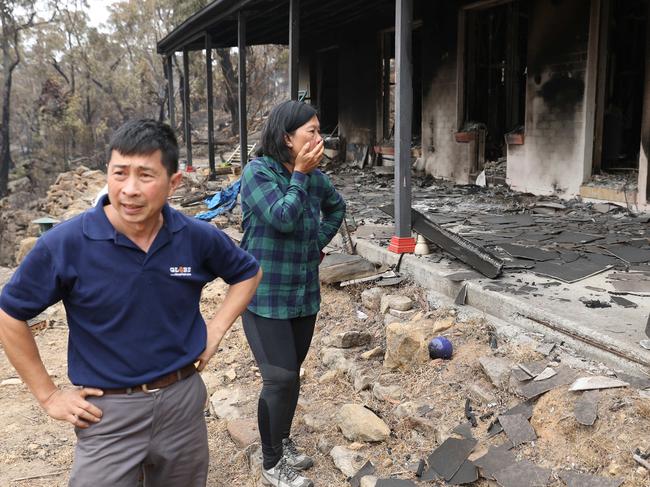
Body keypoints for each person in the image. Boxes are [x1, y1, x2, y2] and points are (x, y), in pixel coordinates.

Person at [0, 119, 262, 487]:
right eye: (119, 173)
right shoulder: (66, 244)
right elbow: (10, 314)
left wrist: (215, 329)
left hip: (181, 401)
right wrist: (48, 394)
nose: (130, 189)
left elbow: (247, 272)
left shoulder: (195, 237)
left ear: (174, 183)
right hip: (107, 413)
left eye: (145, 175)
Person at [240, 100, 346, 487]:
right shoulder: (258, 173)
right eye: (312, 131)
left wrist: (315, 245)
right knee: (279, 378)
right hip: (263, 295)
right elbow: (282, 218)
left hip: (302, 295)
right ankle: (271, 463)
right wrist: (300, 174)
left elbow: (337, 208)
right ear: (287, 138)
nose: (320, 138)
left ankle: (281, 440)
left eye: (320, 130)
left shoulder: (315, 177)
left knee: (292, 376)